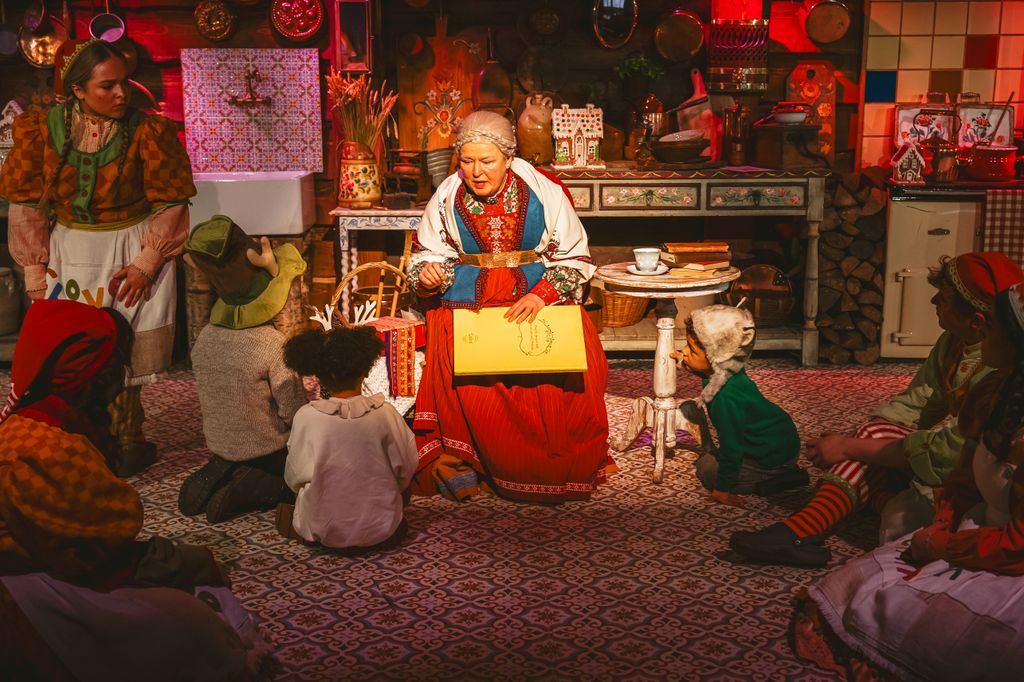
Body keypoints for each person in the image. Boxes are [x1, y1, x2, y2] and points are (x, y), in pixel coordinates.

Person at [0, 300, 268, 681]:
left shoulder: (31, 421)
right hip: (25, 598)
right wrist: (186, 562)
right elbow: (96, 557)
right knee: (188, 623)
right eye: (117, 371)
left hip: (46, 568)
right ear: (94, 379)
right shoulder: (49, 451)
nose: (121, 384)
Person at [791, 281, 1024, 681]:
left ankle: (805, 528)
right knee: (856, 591)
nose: (986, 334)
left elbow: (1017, 544)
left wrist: (942, 544)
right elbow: (964, 473)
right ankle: (803, 528)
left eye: (995, 328)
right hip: (981, 518)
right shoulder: (996, 389)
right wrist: (946, 521)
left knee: (949, 634)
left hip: (1011, 552)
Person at [731, 252, 1023, 567]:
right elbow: (921, 400)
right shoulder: (953, 342)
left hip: (987, 488)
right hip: (967, 470)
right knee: (870, 447)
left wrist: (856, 447)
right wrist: (862, 439)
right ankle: (802, 531)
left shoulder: (998, 374)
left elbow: (955, 450)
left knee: (897, 517)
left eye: (945, 298)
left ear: (980, 323)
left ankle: (805, 529)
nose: (934, 301)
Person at [0, 39, 196, 477]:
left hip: (133, 245)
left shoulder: (147, 131)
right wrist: (34, 270)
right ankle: (83, 435)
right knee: (75, 349)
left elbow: (171, 202)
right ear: (77, 90)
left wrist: (148, 262)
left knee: (124, 343)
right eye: (108, 86)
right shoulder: (42, 130)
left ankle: (127, 436)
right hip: (71, 249)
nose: (122, 94)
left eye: (124, 83)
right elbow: (27, 204)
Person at [408, 110, 612, 504]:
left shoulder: (544, 189)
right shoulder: (448, 194)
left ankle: (546, 465)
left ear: (508, 158)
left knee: (565, 366)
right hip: (471, 298)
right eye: (467, 161)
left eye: (487, 162)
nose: (476, 172)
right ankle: (478, 457)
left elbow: (575, 258)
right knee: (459, 356)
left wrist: (542, 295)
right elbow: (426, 255)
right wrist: (431, 274)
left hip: (534, 293)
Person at [180, 215, 308, 524]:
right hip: (266, 447)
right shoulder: (271, 344)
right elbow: (292, 409)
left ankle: (224, 469)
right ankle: (251, 487)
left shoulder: (205, 338)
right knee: (295, 468)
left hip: (221, 441)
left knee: (234, 448)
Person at [282, 324, 418, 551]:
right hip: (382, 531)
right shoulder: (386, 413)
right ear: (365, 371)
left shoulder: (306, 417)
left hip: (323, 530)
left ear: (320, 377)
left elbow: (294, 477)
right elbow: (407, 466)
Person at [672, 305, 806, 507]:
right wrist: (685, 360)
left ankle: (779, 477)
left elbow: (732, 446)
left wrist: (722, 490)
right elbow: (706, 371)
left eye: (691, 349)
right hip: (779, 442)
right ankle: (783, 470)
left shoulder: (725, 397)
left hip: (770, 456)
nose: (685, 351)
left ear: (716, 356)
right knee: (714, 459)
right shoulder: (726, 371)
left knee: (707, 469)